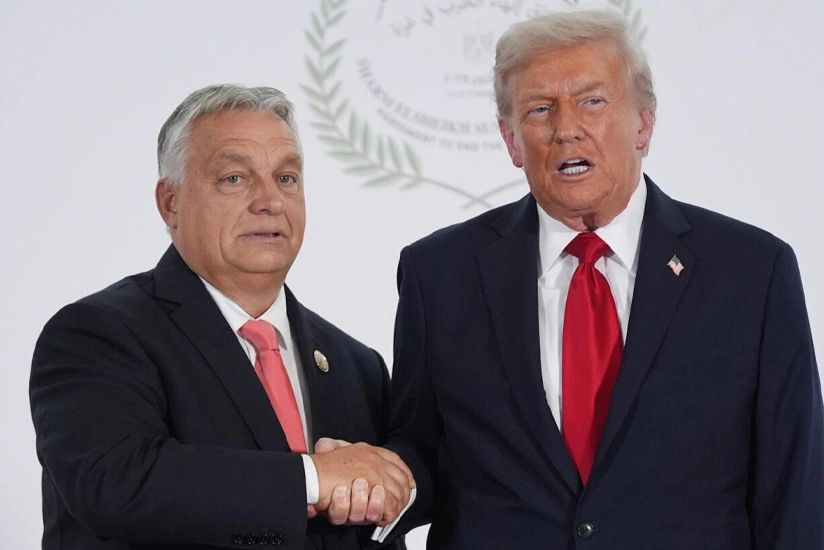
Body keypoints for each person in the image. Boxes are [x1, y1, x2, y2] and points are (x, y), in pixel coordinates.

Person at [380, 9, 824, 548]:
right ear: (511, 139)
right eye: (540, 109)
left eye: (592, 101)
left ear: (643, 123)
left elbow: (795, 491)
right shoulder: (438, 274)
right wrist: (374, 477)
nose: (566, 128)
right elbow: (419, 452)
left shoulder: (752, 273)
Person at [29, 84, 413, 549]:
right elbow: (116, 483)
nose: (271, 200)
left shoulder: (357, 367)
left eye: (287, 177)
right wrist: (312, 478)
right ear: (170, 203)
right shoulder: (97, 334)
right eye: (234, 178)